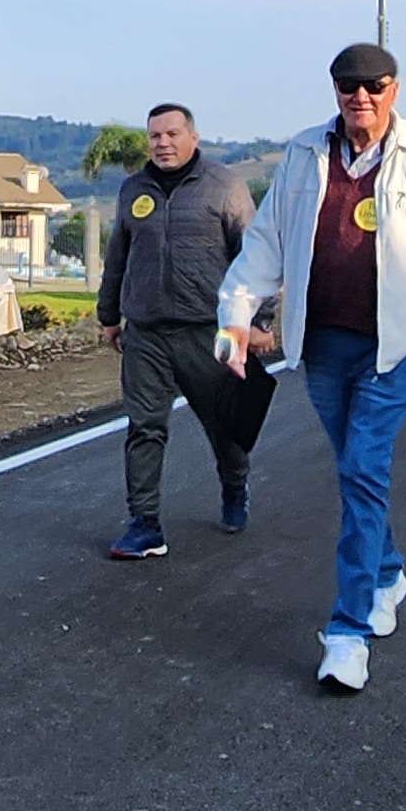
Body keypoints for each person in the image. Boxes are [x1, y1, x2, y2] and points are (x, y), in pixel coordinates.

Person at [214, 42, 406, 693]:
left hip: (393, 347)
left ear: (394, 90)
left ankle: (348, 633)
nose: (360, 97)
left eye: (373, 85)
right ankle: (389, 569)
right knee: (354, 469)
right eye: (348, 86)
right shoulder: (303, 154)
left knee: (364, 466)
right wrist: (236, 314)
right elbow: (267, 243)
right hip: (321, 344)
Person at [96, 102, 273, 559]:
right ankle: (144, 524)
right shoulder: (133, 189)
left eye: (172, 134)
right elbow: (118, 254)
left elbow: (253, 258)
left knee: (223, 427)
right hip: (147, 332)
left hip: (208, 332)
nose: (163, 143)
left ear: (192, 137)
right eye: (155, 135)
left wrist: (259, 323)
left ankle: (235, 486)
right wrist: (109, 314)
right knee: (145, 427)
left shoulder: (224, 187)